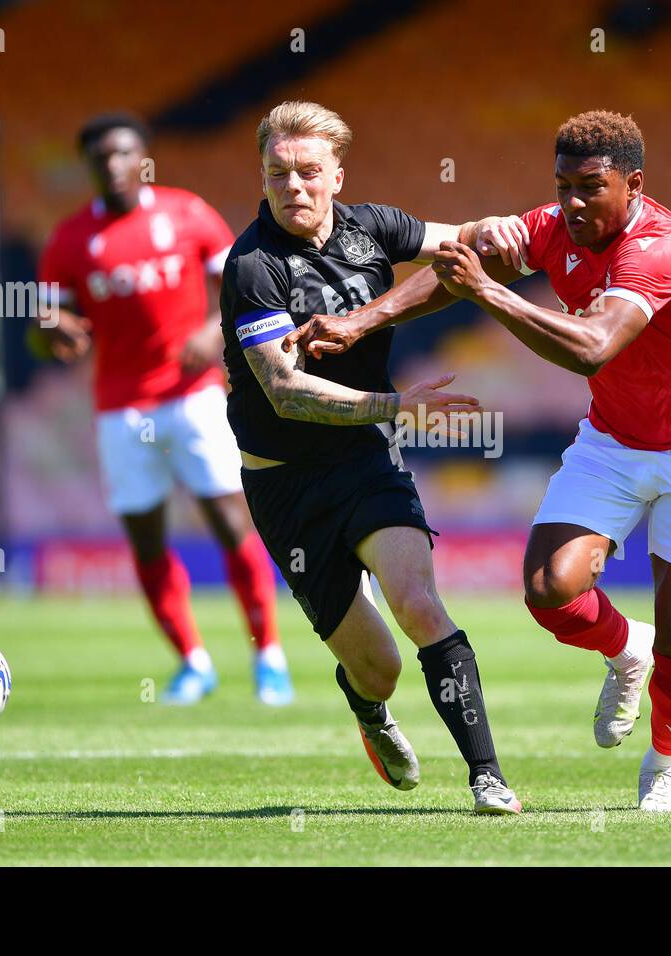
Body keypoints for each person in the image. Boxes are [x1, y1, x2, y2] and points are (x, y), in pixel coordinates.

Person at [288, 110, 671, 812]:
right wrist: (360, 320)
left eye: (591, 187)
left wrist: (489, 291)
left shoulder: (658, 247)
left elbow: (591, 346)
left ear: (635, 185)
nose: (573, 203)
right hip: (615, 440)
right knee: (547, 587)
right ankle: (627, 650)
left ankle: (663, 769)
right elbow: (457, 267)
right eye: (562, 186)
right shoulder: (555, 227)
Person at [221, 100, 522, 813]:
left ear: (335, 176)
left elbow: (465, 240)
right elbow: (286, 392)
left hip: (364, 460)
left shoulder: (373, 228)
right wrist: (399, 406)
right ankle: (369, 711)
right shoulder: (252, 267)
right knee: (380, 669)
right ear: (262, 179)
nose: (292, 187)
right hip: (286, 490)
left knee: (418, 604)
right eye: (277, 174)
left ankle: (487, 777)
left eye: (307, 173)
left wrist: (505, 225)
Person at [36, 112, 293, 706]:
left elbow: (245, 285)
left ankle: (268, 657)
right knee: (146, 541)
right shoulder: (71, 239)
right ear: (90, 167)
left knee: (232, 524)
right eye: (101, 157)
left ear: (143, 157)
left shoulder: (186, 213)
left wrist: (213, 329)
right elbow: (46, 323)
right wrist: (53, 331)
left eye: (124, 153)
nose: (114, 164)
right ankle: (193, 662)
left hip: (192, 397)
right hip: (120, 410)